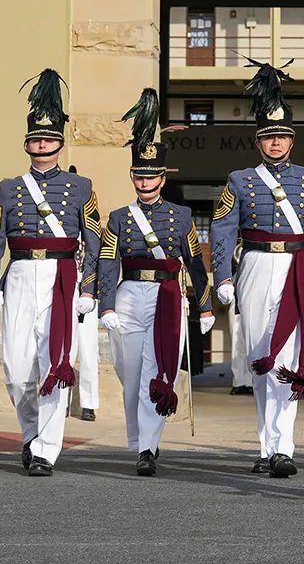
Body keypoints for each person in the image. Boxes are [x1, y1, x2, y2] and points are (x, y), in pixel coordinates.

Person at [210, 57, 304, 477]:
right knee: (261, 355)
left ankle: (285, 448)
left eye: (282, 136)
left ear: (292, 140)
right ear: (258, 142)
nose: (276, 143)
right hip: (257, 265)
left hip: (297, 265)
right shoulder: (240, 180)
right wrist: (222, 277)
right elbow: (222, 229)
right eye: (268, 137)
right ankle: (266, 445)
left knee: (291, 356)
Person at [0, 70, 100, 476]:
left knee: (55, 363)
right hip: (20, 274)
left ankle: (46, 449)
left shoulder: (81, 186)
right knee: (16, 369)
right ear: (27, 144)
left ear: (60, 144)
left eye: (48, 139)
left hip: (62, 276)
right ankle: (30, 433)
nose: (42, 144)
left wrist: (90, 286)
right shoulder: (9, 187)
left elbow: (96, 239)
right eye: (35, 139)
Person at [96, 88, 214, 476]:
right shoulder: (118, 217)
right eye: (139, 176)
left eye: (152, 176)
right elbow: (108, 260)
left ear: (163, 178)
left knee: (157, 368)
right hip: (129, 293)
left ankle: (147, 446)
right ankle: (141, 436)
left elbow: (194, 261)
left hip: (167, 294)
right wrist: (106, 304)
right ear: (133, 176)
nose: (145, 182)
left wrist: (206, 304)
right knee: (128, 370)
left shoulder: (180, 216)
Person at [70, 167, 101, 423]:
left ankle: (89, 403)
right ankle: (62, 398)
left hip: (87, 295)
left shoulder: (91, 234)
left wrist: (89, 292)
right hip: (63, 290)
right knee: (62, 349)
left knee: (88, 350)